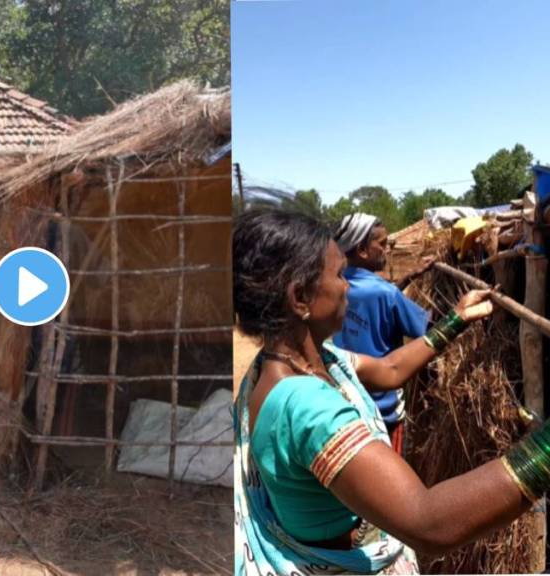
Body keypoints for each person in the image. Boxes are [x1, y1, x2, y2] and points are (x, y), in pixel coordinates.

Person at [233, 209, 548, 575]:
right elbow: (428, 522)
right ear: (300, 297)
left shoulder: (293, 363)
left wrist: (456, 320)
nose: (347, 285)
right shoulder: (306, 407)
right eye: (338, 274)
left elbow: (389, 370)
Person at [332, 213, 428, 454]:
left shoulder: (334, 286)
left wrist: (408, 278)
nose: (387, 250)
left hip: (343, 403)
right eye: (383, 244)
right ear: (363, 249)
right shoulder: (386, 293)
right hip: (382, 410)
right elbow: (426, 329)